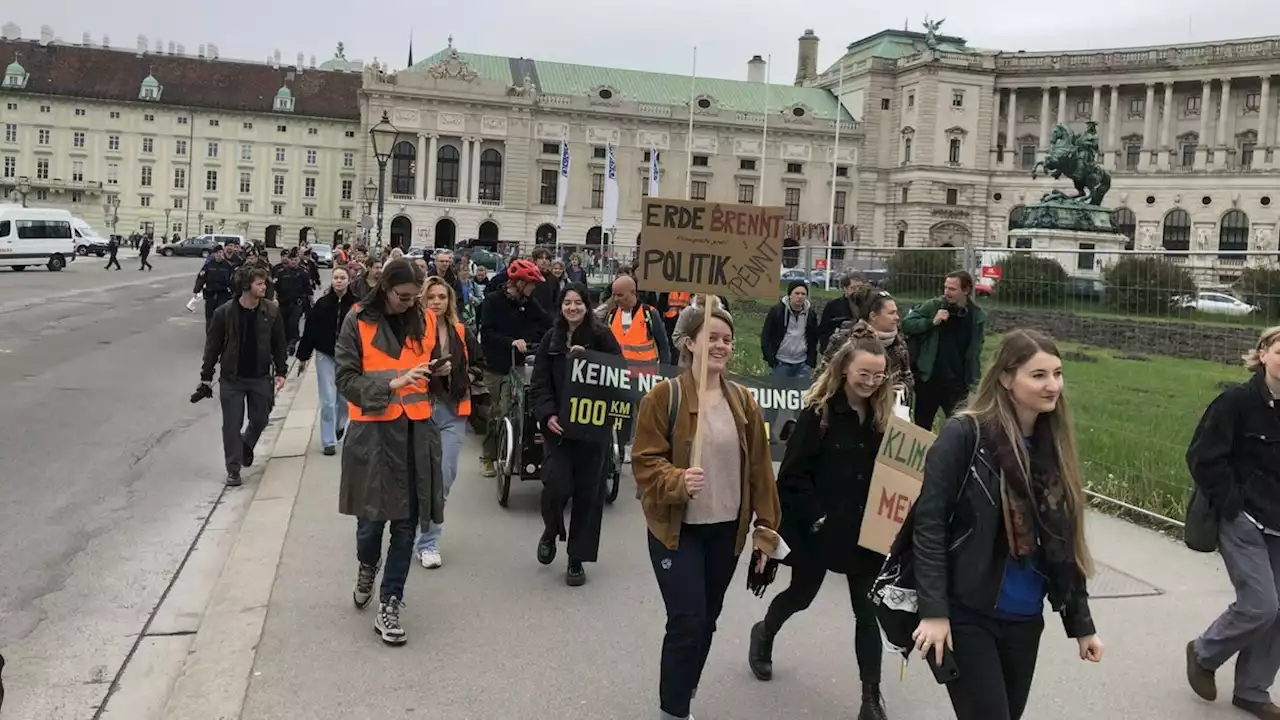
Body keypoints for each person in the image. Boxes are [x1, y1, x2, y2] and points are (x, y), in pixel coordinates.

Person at [912, 329, 1103, 720]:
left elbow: (1061, 543)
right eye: (1038, 375)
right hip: (968, 611)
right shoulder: (965, 434)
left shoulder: (1053, 446)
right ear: (1005, 378)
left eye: (1058, 373)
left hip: (1024, 619)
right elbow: (929, 523)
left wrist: (1081, 624)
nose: (1053, 386)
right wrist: (934, 611)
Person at [632, 304, 781, 720]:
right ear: (689, 343)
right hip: (677, 531)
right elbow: (644, 462)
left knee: (707, 620)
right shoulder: (664, 397)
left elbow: (760, 472)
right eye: (711, 337)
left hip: (726, 532)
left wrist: (766, 531)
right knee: (687, 619)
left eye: (726, 340)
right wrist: (677, 480)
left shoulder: (743, 401)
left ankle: (685, 684)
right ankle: (674, 711)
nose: (720, 345)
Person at [748, 327, 895, 720]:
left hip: (865, 532)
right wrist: (818, 517)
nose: (870, 382)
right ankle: (764, 633)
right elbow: (791, 476)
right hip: (818, 528)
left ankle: (870, 698)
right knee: (802, 595)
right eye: (863, 373)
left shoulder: (885, 417)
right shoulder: (820, 413)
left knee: (867, 613)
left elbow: (895, 473)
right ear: (845, 369)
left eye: (878, 375)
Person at [335, 259, 446, 646]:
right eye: (403, 297)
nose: (410, 304)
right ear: (384, 289)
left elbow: (430, 368)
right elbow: (345, 379)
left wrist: (442, 374)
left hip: (416, 431)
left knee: (406, 524)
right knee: (370, 522)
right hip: (374, 432)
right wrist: (392, 382)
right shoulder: (356, 320)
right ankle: (368, 564)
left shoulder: (426, 321)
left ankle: (391, 602)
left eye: (415, 298)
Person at [1185, 325, 1280, 719]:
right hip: (1245, 520)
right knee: (1261, 605)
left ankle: (1252, 690)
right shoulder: (1236, 403)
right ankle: (1205, 652)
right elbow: (1202, 457)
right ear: (1262, 355)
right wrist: (1232, 506)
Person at [530, 283, 622, 585]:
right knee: (556, 485)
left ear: (587, 306)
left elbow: (619, 374)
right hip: (559, 429)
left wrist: (591, 357)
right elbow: (540, 383)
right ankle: (551, 529)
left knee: (588, 495)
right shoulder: (550, 339)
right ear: (560, 307)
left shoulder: (602, 336)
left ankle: (576, 558)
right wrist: (548, 414)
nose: (572, 308)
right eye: (567, 303)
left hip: (594, 431)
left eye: (578, 303)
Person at [414, 276, 484, 569]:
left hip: (454, 410)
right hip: (421, 410)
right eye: (431, 297)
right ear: (423, 300)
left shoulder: (460, 331)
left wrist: (464, 377)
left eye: (442, 297)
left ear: (449, 300)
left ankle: (427, 539)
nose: (437, 302)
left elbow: (479, 364)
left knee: (445, 475)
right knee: (418, 477)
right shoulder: (414, 332)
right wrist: (430, 371)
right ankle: (424, 540)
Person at [199, 267, 288, 487]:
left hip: (260, 377)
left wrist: (282, 371)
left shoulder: (271, 311)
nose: (264, 287)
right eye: (259, 284)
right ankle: (233, 469)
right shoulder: (224, 313)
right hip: (232, 378)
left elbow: (279, 343)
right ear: (246, 286)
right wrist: (206, 376)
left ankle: (246, 445)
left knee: (260, 419)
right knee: (231, 425)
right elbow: (212, 347)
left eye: (264, 283)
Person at [477, 259, 553, 477]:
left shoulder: (529, 303)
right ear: (518, 283)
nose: (533, 289)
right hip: (495, 366)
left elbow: (547, 322)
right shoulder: (493, 301)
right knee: (496, 412)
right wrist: (511, 341)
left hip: (518, 367)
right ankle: (488, 456)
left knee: (515, 411)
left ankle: (512, 451)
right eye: (531, 284)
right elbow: (488, 333)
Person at [901, 270, 987, 431]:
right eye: (946, 287)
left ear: (966, 290)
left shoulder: (976, 317)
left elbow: (975, 353)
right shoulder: (934, 306)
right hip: (929, 381)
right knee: (921, 429)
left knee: (960, 429)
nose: (947, 292)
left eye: (952, 289)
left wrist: (974, 383)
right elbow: (906, 324)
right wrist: (931, 322)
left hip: (957, 385)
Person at [295, 266, 357, 455]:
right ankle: (328, 441)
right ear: (332, 280)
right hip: (325, 354)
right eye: (336, 277)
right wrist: (303, 356)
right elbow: (310, 331)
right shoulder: (322, 304)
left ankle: (339, 426)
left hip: (348, 357)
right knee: (328, 399)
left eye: (342, 277)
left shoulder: (356, 305)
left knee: (344, 400)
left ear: (349, 280)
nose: (339, 281)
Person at [823, 288, 914, 402]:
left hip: (886, 412)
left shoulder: (899, 344)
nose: (897, 317)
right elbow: (823, 376)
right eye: (891, 313)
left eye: (896, 312)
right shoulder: (844, 340)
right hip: (845, 409)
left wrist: (903, 389)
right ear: (873, 316)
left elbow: (907, 377)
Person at [603, 274, 671, 366]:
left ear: (633, 292)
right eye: (614, 295)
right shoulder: (612, 315)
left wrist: (664, 371)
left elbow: (663, 346)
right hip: (619, 376)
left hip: (645, 375)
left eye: (620, 295)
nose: (616, 299)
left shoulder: (649, 313)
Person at [761, 279, 819, 382]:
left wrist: (810, 361)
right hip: (780, 362)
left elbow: (813, 337)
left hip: (802, 363)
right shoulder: (777, 311)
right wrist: (771, 359)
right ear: (790, 295)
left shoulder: (810, 314)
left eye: (803, 294)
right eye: (797, 293)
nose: (800, 297)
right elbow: (766, 335)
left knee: (802, 395)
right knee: (779, 394)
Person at [671, 295, 731, 369]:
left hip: (716, 368)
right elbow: (677, 336)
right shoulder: (688, 313)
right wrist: (695, 346)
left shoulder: (724, 316)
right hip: (689, 365)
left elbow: (731, 340)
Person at [817, 270, 868, 352]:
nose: (857, 291)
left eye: (860, 288)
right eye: (853, 288)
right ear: (845, 289)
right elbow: (823, 331)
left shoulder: (869, 306)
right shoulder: (833, 306)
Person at [275, 249, 314, 355]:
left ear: (298, 260)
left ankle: (292, 343)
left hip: (297, 303)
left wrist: (312, 303)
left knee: (293, 323)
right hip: (283, 303)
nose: (293, 262)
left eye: (295, 260)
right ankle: (286, 343)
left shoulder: (303, 273)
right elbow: (275, 288)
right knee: (283, 324)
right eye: (291, 260)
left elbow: (308, 289)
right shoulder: (281, 273)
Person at [194, 244, 236, 328]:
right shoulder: (209, 265)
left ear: (223, 253)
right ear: (213, 254)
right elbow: (201, 277)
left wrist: (234, 292)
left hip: (223, 295)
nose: (218, 255)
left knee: (222, 316)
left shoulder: (228, 266)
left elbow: (233, 280)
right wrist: (196, 290)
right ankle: (210, 336)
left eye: (220, 252)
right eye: (216, 253)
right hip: (210, 294)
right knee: (210, 317)